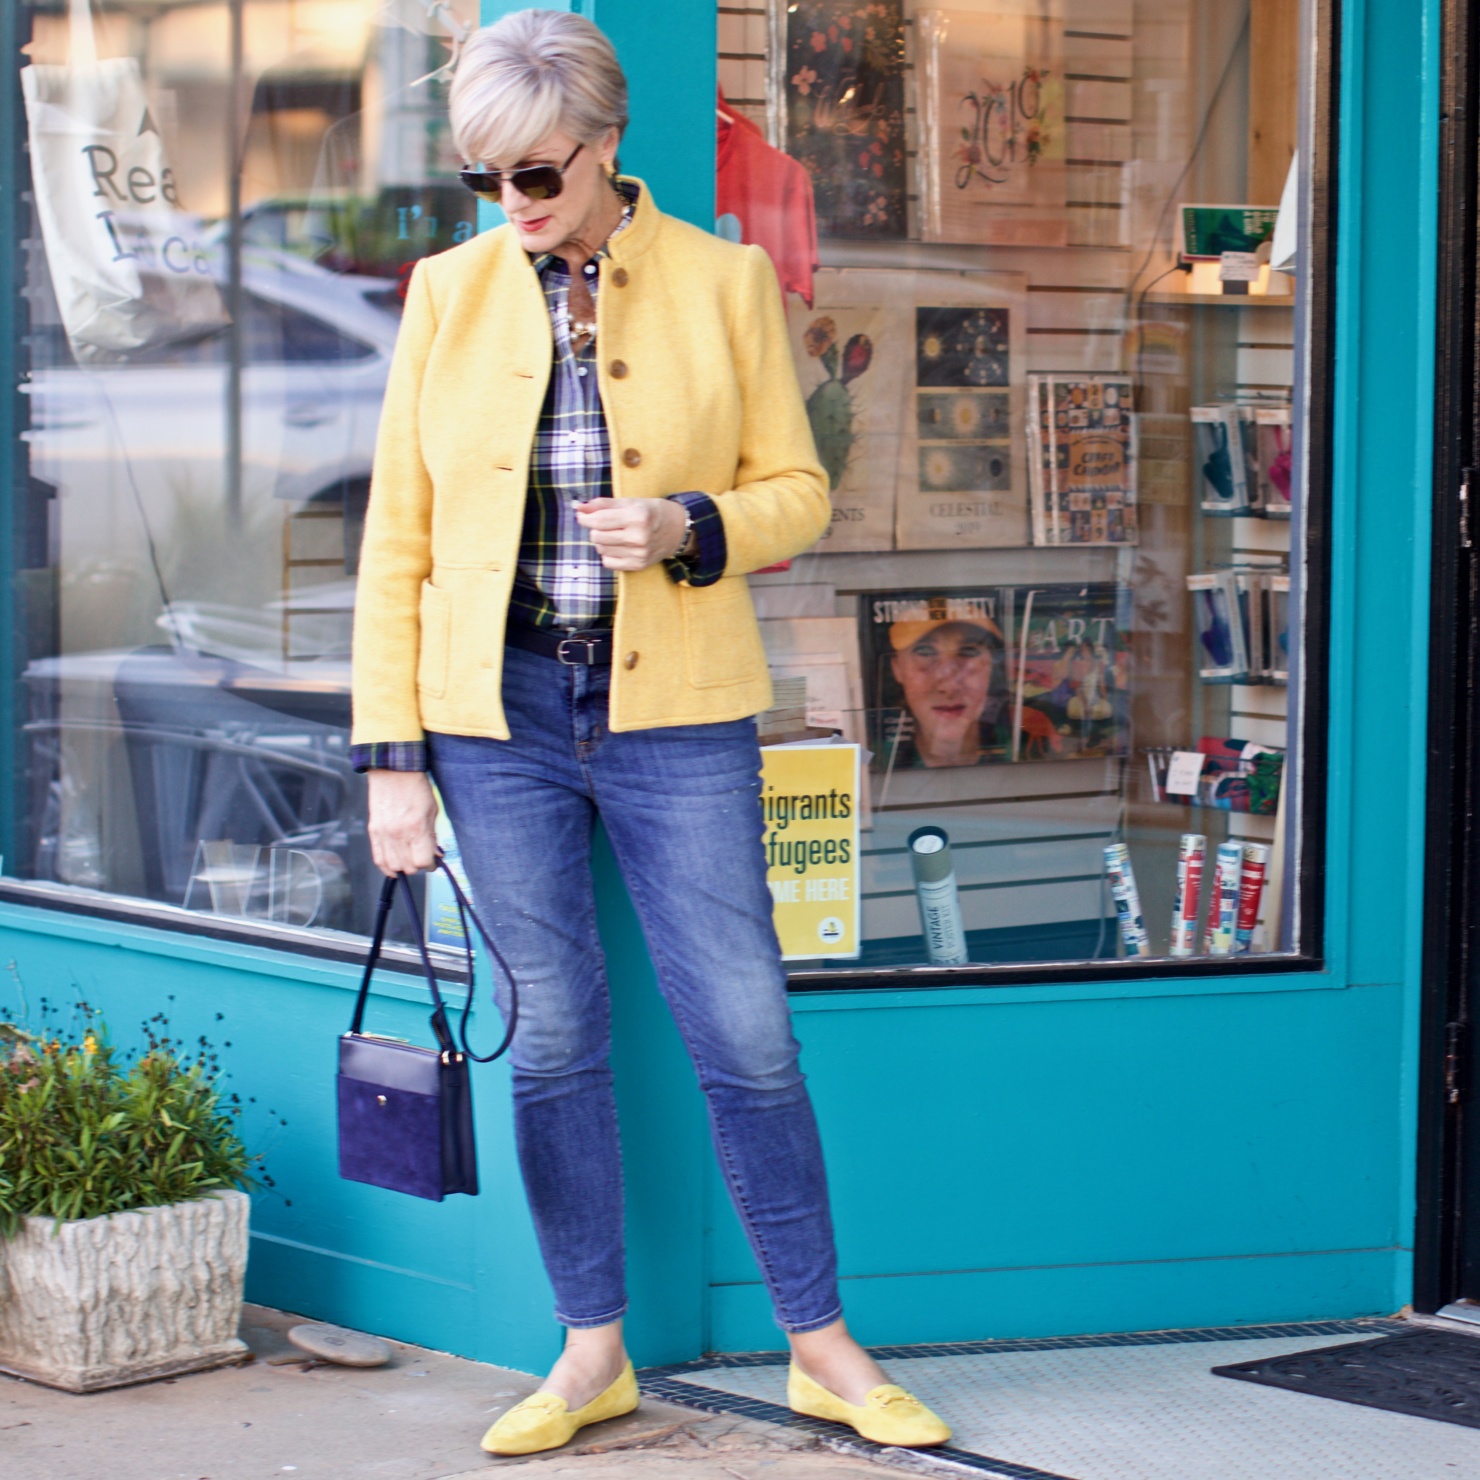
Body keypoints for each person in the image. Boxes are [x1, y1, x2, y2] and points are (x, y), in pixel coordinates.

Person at [349, 9, 951, 1460]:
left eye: (539, 174)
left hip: (677, 712)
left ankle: (822, 1346)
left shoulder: (729, 282)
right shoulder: (446, 292)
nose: (515, 204)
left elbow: (799, 492)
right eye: (491, 177)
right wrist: (391, 757)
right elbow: (399, 541)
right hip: (497, 720)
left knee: (744, 1029)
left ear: (609, 145)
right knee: (554, 1038)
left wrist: (694, 525)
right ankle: (588, 1351)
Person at [887, 616, 1009, 768]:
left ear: (991, 665)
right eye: (925, 652)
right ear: (897, 668)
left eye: (969, 651)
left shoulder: (1026, 748)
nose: (950, 687)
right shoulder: (869, 759)